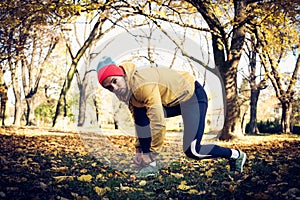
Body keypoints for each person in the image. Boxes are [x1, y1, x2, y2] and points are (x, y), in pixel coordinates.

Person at [96, 56, 246, 178]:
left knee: (193, 150)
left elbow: (158, 121)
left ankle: (236, 155)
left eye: (114, 81)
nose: (114, 88)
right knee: (140, 114)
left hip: (192, 96)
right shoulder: (126, 91)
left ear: (122, 74)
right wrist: (139, 149)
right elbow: (139, 121)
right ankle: (150, 167)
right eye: (109, 87)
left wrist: (152, 153)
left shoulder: (142, 84)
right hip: (173, 101)